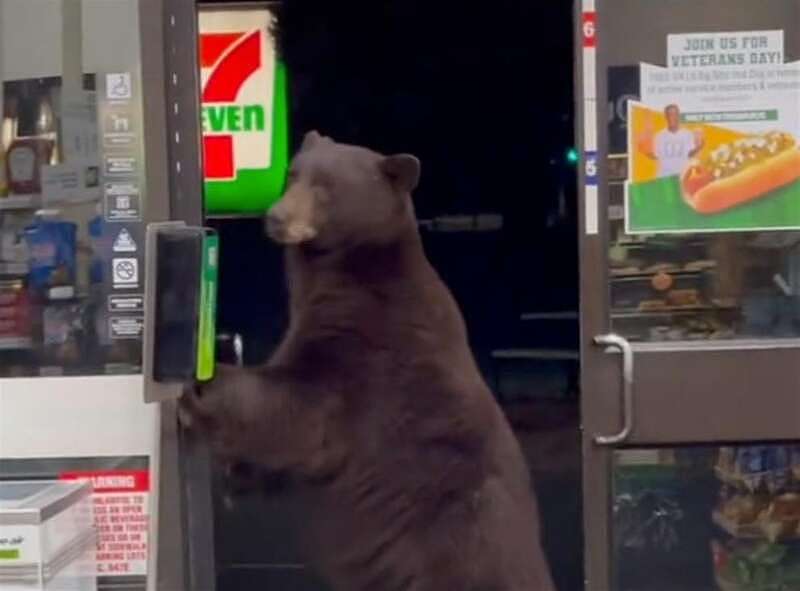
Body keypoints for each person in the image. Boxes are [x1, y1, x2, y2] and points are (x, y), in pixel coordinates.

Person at [639, 104, 704, 178]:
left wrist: (699, 147)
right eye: (670, 114)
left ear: (678, 116)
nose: (673, 117)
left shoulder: (688, 134)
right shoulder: (659, 136)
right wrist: (643, 151)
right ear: (666, 117)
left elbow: (690, 155)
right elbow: (655, 156)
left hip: (682, 177)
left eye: (675, 114)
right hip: (664, 179)